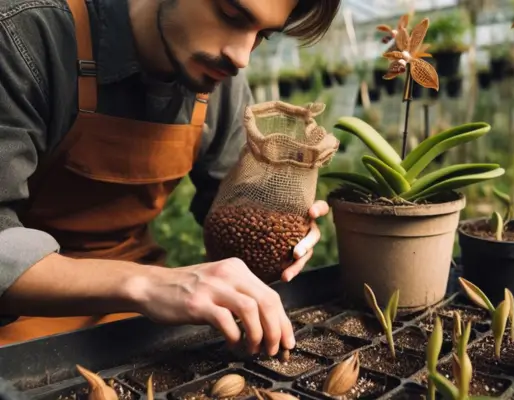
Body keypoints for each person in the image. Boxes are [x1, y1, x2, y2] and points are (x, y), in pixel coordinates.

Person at [0, 0, 340, 355]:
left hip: (139, 318)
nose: (242, 57)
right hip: (22, 320)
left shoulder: (217, 78)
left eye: (262, 36)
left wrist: (280, 228)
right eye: (231, 15)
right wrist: (149, 286)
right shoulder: (24, 37)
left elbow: (233, 204)